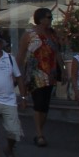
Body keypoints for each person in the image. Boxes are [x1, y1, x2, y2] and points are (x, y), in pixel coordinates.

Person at [17, 8, 63, 147]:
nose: (51, 20)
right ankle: (39, 134)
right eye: (49, 17)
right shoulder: (29, 35)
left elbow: (57, 53)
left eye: (51, 18)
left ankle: (40, 130)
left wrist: (63, 69)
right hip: (35, 74)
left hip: (50, 73)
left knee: (45, 105)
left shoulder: (52, 35)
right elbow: (21, 54)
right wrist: (15, 71)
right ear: (41, 18)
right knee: (39, 103)